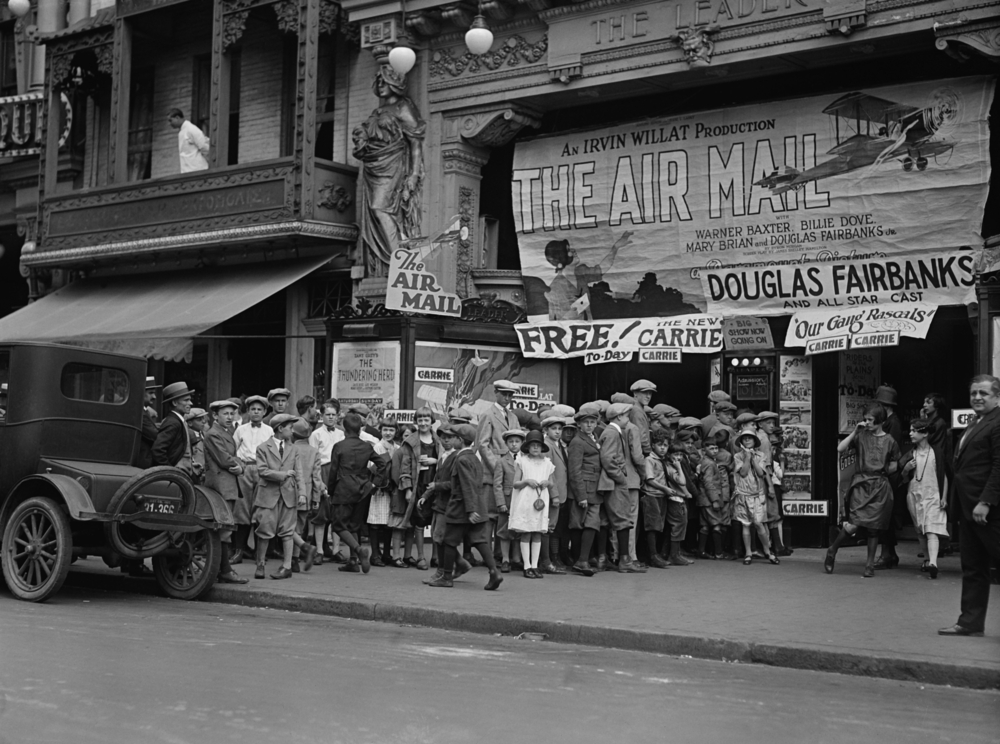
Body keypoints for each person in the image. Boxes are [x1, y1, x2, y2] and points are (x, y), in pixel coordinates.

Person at [939, 375, 1000, 637]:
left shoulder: (997, 423)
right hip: (968, 508)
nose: (977, 398)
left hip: (988, 511)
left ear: (996, 396)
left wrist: (986, 501)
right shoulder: (977, 423)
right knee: (973, 567)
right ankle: (970, 623)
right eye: (974, 393)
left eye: (983, 394)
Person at [352, 64, 426, 277]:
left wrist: (413, 175)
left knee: (379, 208)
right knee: (377, 210)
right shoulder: (378, 111)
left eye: (385, 80)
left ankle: (399, 259)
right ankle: (394, 260)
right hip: (373, 167)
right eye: (379, 81)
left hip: (393, 164)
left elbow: (415, 143)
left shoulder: (403, 107)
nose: (381, 85)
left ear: (395, 83)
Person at [826, 403, 900, 577]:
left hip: (879, 485)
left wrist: (880, 471)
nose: (867, 423)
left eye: (870, 420)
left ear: (881, 421)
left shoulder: (890, 441)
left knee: (874, 527)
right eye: (865, 419)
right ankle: (832, 550)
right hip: (861, 484)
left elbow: (895, 465)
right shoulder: (861, 436)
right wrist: (855, 431)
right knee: (853, 525)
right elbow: (840, 448)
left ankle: (869, 565)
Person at [428, 424, 503, 590]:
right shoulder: (474, 458)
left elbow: (467, 486)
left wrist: (470, 511)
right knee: (480, 541)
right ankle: (494, 572)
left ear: (460, 440)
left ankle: (447, 577)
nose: (450, 439)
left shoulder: (461, 459)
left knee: (448, 542)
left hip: (461, 508)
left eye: (453, 437)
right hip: (477, 506)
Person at [327, 412, 387, 574]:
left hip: (344, 489)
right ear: (360, 429)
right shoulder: (367, 446)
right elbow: (382, 464)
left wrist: (331, 490)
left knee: (338, 525)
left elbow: (333, 472)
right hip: (363, 489)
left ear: (344, 429)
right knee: (354, 525)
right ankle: (353, 562)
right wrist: (374, 484)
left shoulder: (339, 446)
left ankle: (358, 550)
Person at [203, 399, 250, 576]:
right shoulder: (213, 434)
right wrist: (240, 466)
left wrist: (241, 466)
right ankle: (225, 571)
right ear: (215, 415)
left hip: (227, 484)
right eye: (226, 414)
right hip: (221, 485)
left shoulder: (225, 432)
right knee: (224, 528)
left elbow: (231, 457)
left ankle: (223, 569)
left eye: (232, 413)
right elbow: (224, 459)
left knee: (225, 527)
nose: (230, 417)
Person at [253, 414, 302, 580]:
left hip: (288, 495)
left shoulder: (293, 448)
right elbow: (262, 471)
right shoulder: (263, 448)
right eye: (290, 427)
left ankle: (286, 566)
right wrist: (283, 474)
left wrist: (302, 493)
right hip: (268, 495)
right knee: (264, 530)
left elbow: (299, 473)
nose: (292, 431)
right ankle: (260, 564)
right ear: (280, 429)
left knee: (288, 531)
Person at [598, 402, 645, 574]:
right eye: (626, 416)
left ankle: (609, 559)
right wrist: (621, 478)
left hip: (610, 482)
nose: (628, 419)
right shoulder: (612, 433)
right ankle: (625, 560)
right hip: (614, 483)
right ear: (619, 417)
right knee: (623, 519)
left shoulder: (613, 432)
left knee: (608, 521)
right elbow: (608, 459)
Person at [542, 231, 632, 320]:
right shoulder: (555, 288)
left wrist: (615, 248)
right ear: (561, 257)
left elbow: (601, 269)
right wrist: (589, 300)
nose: (574, 251)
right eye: (568, 250)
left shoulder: (580, 272)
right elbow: (565, 319)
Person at [900, 419, 949, 579]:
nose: (910, 434)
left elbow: (944, 475)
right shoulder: (910, 454)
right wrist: (906, 469)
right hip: (914, 495)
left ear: (925, 434)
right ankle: (927, 560)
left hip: (933, 494)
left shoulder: (937, 453)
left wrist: (944, 496)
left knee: (931, 529)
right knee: (920, 529)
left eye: (914, 431)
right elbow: (902, 477)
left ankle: (933, 562)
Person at [391, 407, 438, 569]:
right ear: (416, 422)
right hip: (418, 485)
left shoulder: (438, 440)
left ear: (432, 421)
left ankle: (436, 557)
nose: (423, 423)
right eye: (420, 420)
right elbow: (404, 467)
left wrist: (435, 461)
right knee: (418, 520)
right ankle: (420, 557)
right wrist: (408, 489)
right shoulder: (410, 442)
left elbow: (446, 460)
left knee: (435, 521)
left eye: (426, 420)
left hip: (434, 485)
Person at [509, 430, 555, 579]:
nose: (535, 448)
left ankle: (535, 565)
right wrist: (526, 481)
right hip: (526, 500)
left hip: (540, 499)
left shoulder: (547, 463)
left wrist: (547, 483)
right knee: (526, 532)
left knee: (537, 532)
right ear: (527, 447)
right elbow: (515, 483)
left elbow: (552, 483)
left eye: (538, 445)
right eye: (532, 445)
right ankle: (526, 565)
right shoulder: (522, 461)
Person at [733, 424, 779, 566]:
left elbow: (760, 473)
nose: (747, 441)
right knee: (746, 524)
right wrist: (746, 457)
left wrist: (753, 458)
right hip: (743, 494)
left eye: (750, 438)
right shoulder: (737, 456)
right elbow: (743, 472)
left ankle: (768, 551)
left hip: (757, 494)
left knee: (759, 523)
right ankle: (748, 553)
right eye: (744, 438)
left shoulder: (761, 455)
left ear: (754, 441)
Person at [233, 395, 274, 557]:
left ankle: (259, 551)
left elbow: (273, 451)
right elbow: (233, 450)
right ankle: (239, 548)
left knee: (260, 509)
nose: (256, 412)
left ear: (264, 412)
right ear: (248, 412)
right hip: (245, 469)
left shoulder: (269, 430)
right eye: (253, 409)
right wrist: (239, 466)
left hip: (262, 469)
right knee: (242, 508)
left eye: (259, 410)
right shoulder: (241, 429)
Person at [567, 405, 602, 575]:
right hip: (583, 489)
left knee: (590, 524)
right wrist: (581, 495)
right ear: (579, 424)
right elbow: (574, 470)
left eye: (592, 422)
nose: (589, 425)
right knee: (580, 524)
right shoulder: (577, 441)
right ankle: (580, 560)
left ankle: (582, 559)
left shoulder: (594, 438)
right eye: (585, 422)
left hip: (594, 488)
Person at [309, 400, 344, 562]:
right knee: (321, 513)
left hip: (338, 473)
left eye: (333, 415)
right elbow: (313, 459)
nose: (330, 418)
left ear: (338, 416)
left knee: (337, 513)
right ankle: (320, 550)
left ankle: (336, 550)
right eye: (327, 415)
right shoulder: (316, 434)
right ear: (322, 416)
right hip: (322, 470)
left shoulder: (341, 433)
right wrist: (318, 481)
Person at [290, 419, 322, 573]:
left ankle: (294, 558)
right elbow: (317, 478)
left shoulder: (290, 449)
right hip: (307, 495)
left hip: (289, 492)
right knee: (299, 527)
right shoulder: (314, 451)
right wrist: (316, 499)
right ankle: (295, 559)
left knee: (286, 527)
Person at [367, 418, 398, 567]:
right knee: (376, 521)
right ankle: (375, 553)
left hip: (391, 488)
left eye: (391, 430)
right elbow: (371, 466)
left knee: (388, 522)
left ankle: (386, 553)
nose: (388, 433)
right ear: (381, 430)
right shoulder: (377, 447)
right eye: (385, 430)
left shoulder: (397, 447)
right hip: (379, 488)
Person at [492, 428, 524, 573]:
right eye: (511, 442)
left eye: (517, 441)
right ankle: (505, 559)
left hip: (522, 500)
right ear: (506, 443)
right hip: (507, 499)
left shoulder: (525, 459)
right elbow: (497, 483)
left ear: (522, 443)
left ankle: (516, 559)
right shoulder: (502, 461)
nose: (514, 445)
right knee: (504, 530)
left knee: (518, 529)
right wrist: (500, 503)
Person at [540, 414, 568, 575]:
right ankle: (546, 561)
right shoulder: (547, 446)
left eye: (559, 429)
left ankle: (550, 559)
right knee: (548, 527)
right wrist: (555, 495)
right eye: (554, 429)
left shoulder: (557, 445)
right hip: (552, 493)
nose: (557, 432)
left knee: (552, 527)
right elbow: (549, 473)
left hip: (559, 492)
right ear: (546, 430)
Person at [641, 429, 672, 569]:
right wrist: (665, 489)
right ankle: (652, 556)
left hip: (661, 496)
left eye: (665, 445)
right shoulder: (649, 460)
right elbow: (649, 479)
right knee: (652, 527)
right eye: (660, 445)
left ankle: (656, 554)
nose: (663, 448)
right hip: (651, 495)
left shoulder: (663, 460)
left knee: (659, 525)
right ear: (653, 445)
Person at [152, 382, 195, 472]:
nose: (190, 403)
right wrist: (170, 471)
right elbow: (158, 450)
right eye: (186, 400)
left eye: (190, 400)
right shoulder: (173, 422)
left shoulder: (179, 421)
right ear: (174, 402)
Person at [167, 108, 209, 173]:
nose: (169, 124)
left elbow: (204, 146)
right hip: (188, 172)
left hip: (198, 171)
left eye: (170, 120)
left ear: (177, 117)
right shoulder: (182, 131)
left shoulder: (191, 128)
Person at [137, 376, 160, 469]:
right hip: (143, 463)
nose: (154, 397)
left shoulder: (144, 411)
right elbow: (155, 435)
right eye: (151, 393)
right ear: (141, 393)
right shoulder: (140, 413)